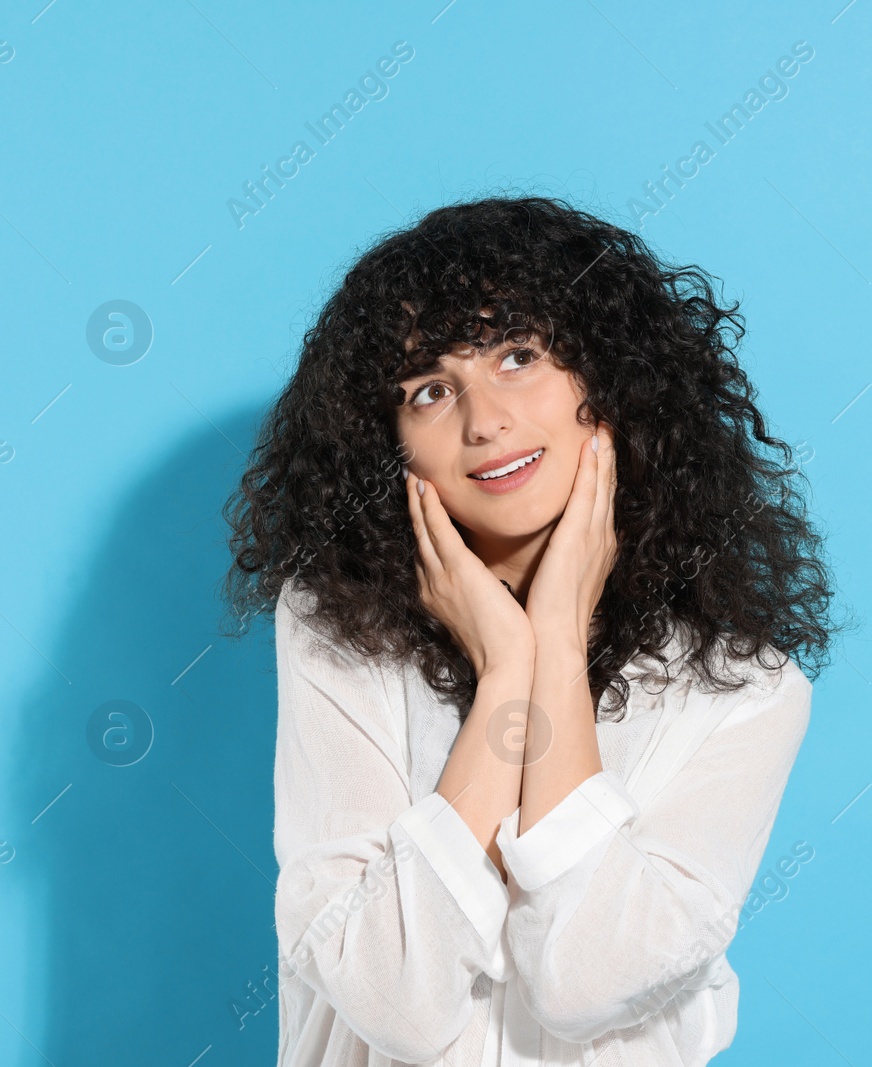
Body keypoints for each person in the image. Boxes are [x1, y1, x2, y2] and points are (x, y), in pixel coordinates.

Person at [220, 195, 835, 1065]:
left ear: (609, 378)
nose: (483, 421)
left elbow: (586, 981)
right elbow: (394, 1000)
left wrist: (556, 639)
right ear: (386, 441)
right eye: (431, 390)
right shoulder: (336, 631)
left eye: (519, 355)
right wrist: (508, 668)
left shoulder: (745, 689)